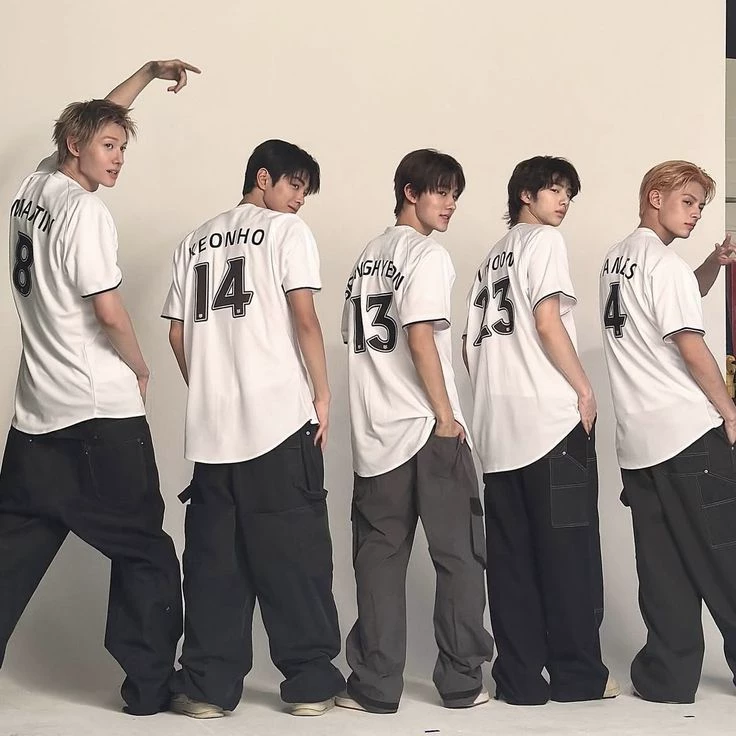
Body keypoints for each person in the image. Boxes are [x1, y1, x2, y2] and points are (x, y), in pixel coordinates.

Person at [0, 58, 199, 715]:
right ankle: (149, 689)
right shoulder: (84, 212)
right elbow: (109, 311)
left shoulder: (34, 187)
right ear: (75, 146)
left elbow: (90, 118)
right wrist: (141, 367)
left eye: (123, 148)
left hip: (35, 419)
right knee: (146, 551)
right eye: (110, 147)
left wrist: (144, 74)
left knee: (10, 557)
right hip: (97, 417)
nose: (118, 159)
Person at [162, 139, 345, 719]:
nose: (299, 200)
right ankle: (310, 684)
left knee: (214, 563)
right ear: (262, 178)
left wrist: (209, 387)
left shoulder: (194, 240)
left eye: (305, 192)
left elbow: (176, 334)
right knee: (294, 554)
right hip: (277, 422)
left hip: (213, 432)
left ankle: (207, 688)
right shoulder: (286, 232)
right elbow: (305, 317)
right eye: (294, 185)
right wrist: (322, 394)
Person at [338, 148, 494, 715]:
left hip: (376, 433)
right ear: (410, 192)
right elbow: (420, 335)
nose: (450, 204)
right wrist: (446, 417)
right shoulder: (426, 254)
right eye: (441, 192)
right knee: (459, 557)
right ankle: (460, 684)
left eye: (455, 195)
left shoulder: (366, 258)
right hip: (428, 429)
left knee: (379, 559)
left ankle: (375, 687)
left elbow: (359, 340)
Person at [464, 156, 617, 705]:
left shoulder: (490, 260)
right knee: (569, 555)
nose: (564, 201)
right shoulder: (544, 242)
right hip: (550, 424)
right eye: (554, 190)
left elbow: (468, 346)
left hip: (498, 429)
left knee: (511, 562)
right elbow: (547, 321)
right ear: (525, 195)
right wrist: (584, 388)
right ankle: (578, 677)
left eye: (568, 192)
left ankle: (519, 680)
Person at [600, 160, 736, 703]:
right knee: (725, 554)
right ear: (655, 197)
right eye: (689, 201)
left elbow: (670, 303)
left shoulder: (617, 260)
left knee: (662, 568)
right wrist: (729, 410)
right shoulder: (665, 266)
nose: (697, 213)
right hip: (688, 435)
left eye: (701, 205)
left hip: (639, 444)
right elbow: (689, 343)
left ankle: (668, 677)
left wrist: (710, 264)